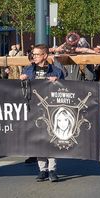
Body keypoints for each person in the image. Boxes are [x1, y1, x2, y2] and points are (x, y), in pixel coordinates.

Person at [20, 44, 64, 182]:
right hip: (33, 108)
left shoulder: (55, 70)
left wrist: (57, 81)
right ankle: (42, 170)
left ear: (45, 56)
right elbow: (20, 88)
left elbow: (65, 86)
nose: (34, 56)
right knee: (38, 139)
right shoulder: (28, 69)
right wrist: (21, 79)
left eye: (37, 54)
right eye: (33, 54)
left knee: (51, 138)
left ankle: (52, 169)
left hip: (50, 108)